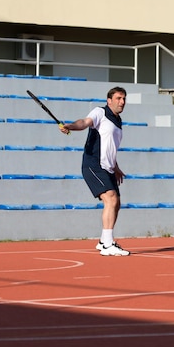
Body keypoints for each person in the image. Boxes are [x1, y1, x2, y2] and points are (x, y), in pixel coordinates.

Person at [59, 86, 130, 256]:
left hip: (109, 168)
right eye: (119, 98)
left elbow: (109, 147)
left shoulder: (118, 120)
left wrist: (117, 167)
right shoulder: (100, 112)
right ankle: (107, 245)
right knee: (111, 199)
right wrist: (70, 126)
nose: (122, 102)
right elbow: (84, 123)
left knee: (116, 203)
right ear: (109, 100)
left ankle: (103, 241)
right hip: (93, 164)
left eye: (124, 99)